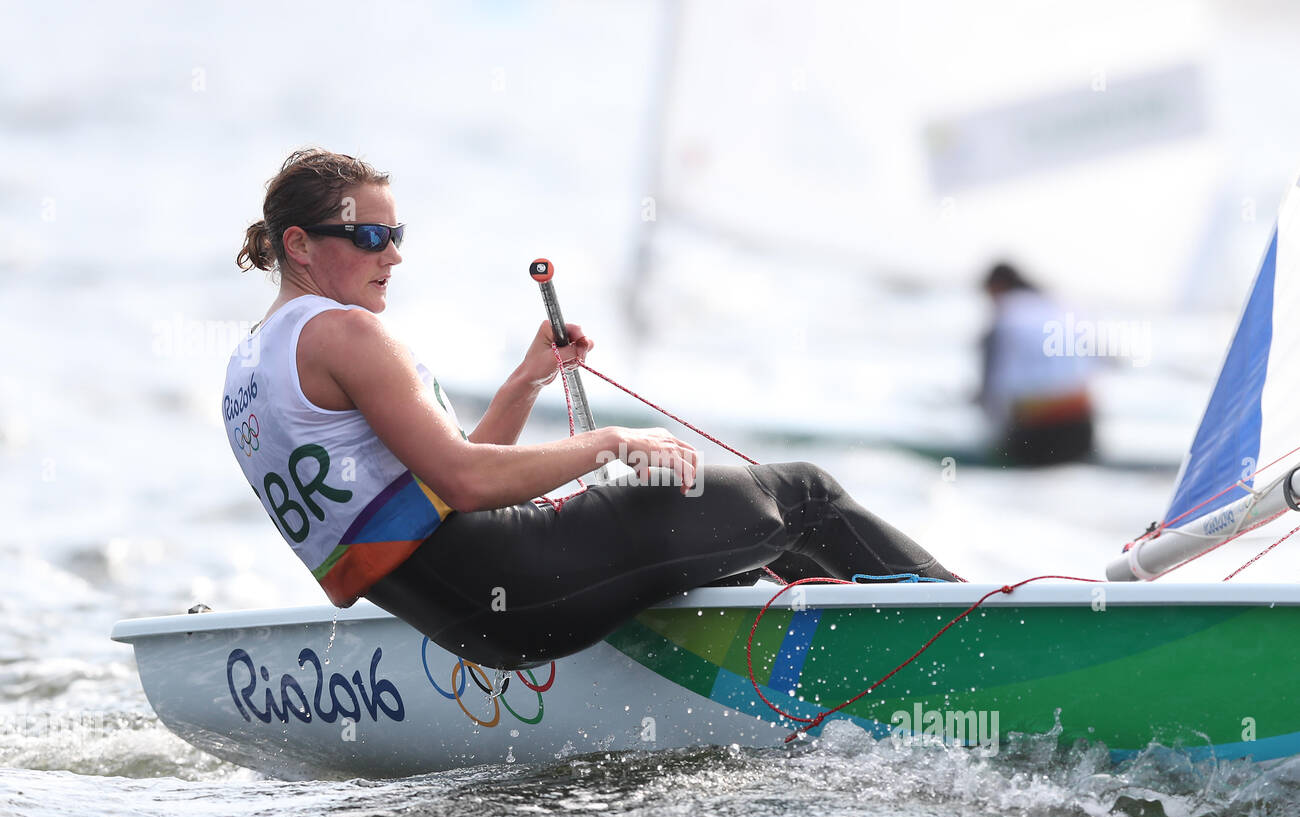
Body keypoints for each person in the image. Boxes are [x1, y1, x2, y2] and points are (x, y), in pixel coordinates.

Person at [224, 149, 958, 671]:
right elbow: (468, 484)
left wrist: (523, 383)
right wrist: (609, 443)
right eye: (371, 237)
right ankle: (969, 634)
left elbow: (437, 494)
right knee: (801, 496)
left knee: (729, 550)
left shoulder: (248, 369)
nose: (393, 255)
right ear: (300, 244)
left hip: (471, 621)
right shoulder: (345, 332)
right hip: (519, 577)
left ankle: (847, 665)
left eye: (398, 236)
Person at [977, 262, 1094, 466]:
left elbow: (990, 391)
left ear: (997, 287)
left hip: (1038, 435)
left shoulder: (1004, 318)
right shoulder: (1061, 307)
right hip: (1084, 429)